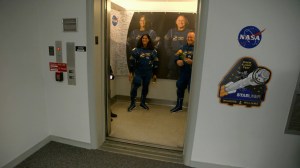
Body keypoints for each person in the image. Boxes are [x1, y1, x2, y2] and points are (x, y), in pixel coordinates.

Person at [127, 34, 159, 112]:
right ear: (141, 39)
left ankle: (143, 103)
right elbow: (131, 61)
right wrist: (130, 72)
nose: (144, 39)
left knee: (145, 87)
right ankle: (132, 103)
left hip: (148, 72)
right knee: (135, 86)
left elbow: (156, 63)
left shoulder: (153, 51)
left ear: (148, 40)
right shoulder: (136, 50)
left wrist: (155, 74)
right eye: (143, 38)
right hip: (138, 71)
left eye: (146, 38)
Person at [170, 31, 195, 112]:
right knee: (180, 88)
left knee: (192, 91)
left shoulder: (198, 48)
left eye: (191, 37)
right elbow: (176, 57)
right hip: (183, 73)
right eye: (188, 37)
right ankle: (179, 106)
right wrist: (177, 61)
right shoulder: (182, 48)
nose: (189, 38)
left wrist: (193, 62)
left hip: (193, 75)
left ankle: (192, 109)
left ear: (195, 39)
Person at [164, 15, 190, 79]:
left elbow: (192, 44)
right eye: (179, 20)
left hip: (185, 56)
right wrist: (170, 53)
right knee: (171, 75)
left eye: (182, 20)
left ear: (186, 22)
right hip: (173, 55)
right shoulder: (171, 31)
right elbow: (166, 43)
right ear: (176, 22)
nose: (180, 22)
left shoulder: (189, 32)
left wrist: (183, 57)